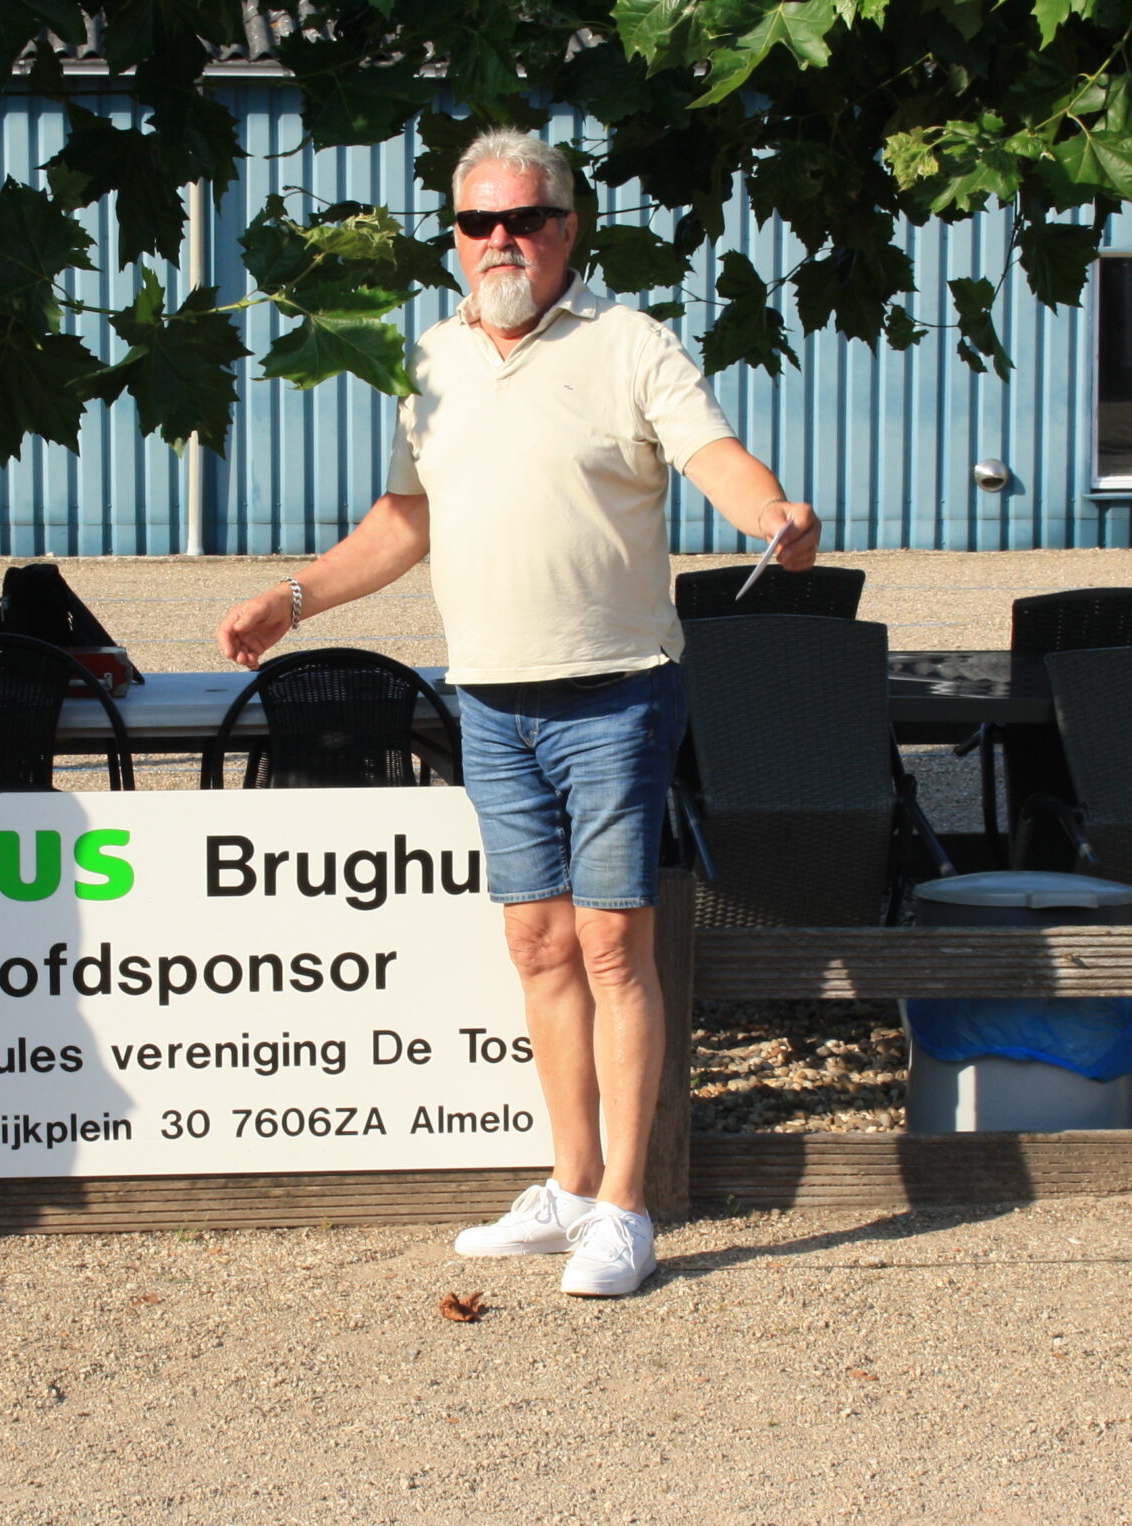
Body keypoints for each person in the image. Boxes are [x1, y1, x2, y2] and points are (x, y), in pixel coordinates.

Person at [216, 129, 820, 1297]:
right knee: (537, 943)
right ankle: (572, 1185)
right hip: (488, 698)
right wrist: (289, 602)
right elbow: (404, 521)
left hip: (616, 691)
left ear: (566, 229)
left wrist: (773, 518)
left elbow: (715, 456)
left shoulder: (630, 343)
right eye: (478, 222)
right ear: (455, 237)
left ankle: (626, 1210)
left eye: (525, 219)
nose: (502, 240)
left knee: (613, 946)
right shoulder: (431, 360)